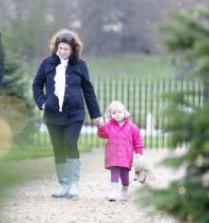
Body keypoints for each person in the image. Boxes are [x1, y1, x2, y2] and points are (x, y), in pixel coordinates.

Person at [32, 30, 103, 198]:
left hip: (75, 114)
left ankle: (73, 184)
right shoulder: (47, 63)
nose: (62, 52)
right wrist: (42, 102)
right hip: (52, 114)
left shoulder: (80, 65)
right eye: (60, 48)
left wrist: (97, 115)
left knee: (70, 143)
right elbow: (36, 85)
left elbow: (88, 90)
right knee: (58, 147)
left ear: (73, 50)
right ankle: (63, 184)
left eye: (66, 49)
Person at [97, 100, 144, 202]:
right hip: (113, 155)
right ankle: (113, 191)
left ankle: (125, 190)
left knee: (124, 176)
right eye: (114, 113)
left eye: (119, 112)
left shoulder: (131, 127)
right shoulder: (109, 125)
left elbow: (137, 140)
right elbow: (103, 134)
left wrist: (139, 153)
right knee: (114, 173)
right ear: (110, 115)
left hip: (126, 156)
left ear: (124, 112)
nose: (117, 114)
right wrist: (100, 126)